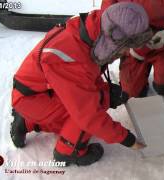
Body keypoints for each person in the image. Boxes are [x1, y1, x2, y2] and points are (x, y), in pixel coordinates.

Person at [10, 2, 153, 166]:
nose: (126, 52)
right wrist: (128, 139)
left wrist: (108, 91)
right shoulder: (69, 58)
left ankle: (28, 121)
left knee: (101, 96)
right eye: (124, 48)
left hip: (37, 92)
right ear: (112, 39)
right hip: (32, 99)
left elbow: (85, 77)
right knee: (95, 105)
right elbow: (88, 114)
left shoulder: (93, 30)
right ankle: (69, 152)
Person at [101, 0, 164, 97]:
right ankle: (141, 78)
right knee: (131, 94)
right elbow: (107, 17)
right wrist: (126, 46)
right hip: (133, 45)